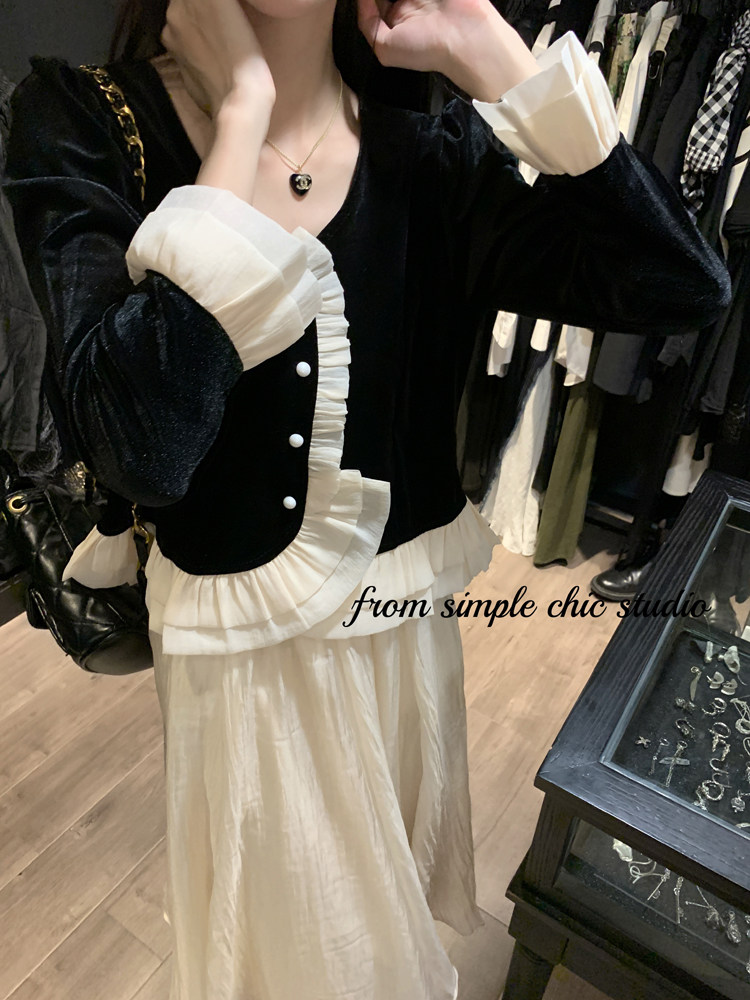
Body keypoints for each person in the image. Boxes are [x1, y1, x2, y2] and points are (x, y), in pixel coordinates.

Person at [3, 0, 730, 997]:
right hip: (245, 670)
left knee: (372, 935)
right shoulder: (84, 122)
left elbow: (683, 284)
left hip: (403, 635)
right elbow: (143, 451)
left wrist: (498, 58)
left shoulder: (428, 155)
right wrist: (242, 121)